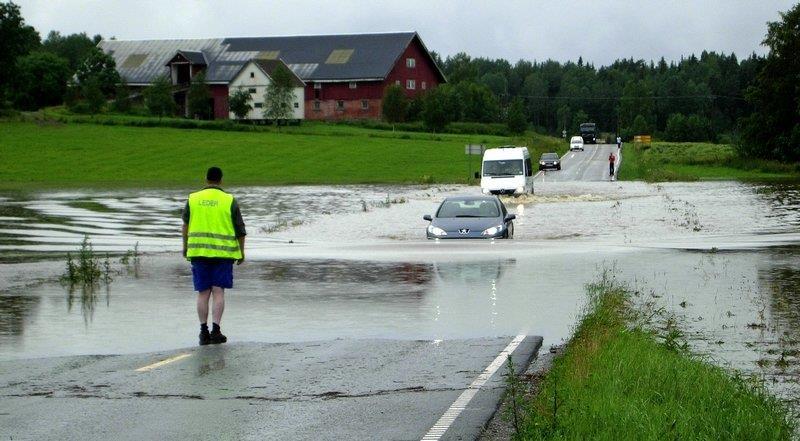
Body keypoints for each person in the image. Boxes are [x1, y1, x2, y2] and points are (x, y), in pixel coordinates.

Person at [182, 167, 246, 345]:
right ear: (221, 180)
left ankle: (203, 332)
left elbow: (185, 226)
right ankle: (216, 330)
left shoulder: (193, 198)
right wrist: (242, 252)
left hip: (198, 252)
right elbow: (241, 230)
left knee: (203, 292)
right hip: (222, 253)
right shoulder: (229, 200)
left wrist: (185, 247)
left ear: (206, 179)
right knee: (218, 291)